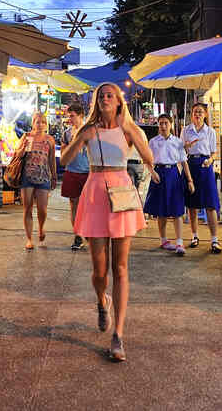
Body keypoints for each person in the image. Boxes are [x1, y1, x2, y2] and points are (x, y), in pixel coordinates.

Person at [60, 81, 156, 363]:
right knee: (99, 270)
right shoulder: (87, 129)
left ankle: (119, 334)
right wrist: (80, 138)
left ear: (118, 102)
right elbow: (65, 159)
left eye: (110, 95)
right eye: (101, 95)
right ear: (96, 101)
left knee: (121, 267)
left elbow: (149, 158)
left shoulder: (128, 128)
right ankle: (102, 301)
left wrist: (136, 138)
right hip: (95, 192)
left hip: (121, 191)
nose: (105, 98)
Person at [144, 113, 193, 255]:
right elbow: (147, 161)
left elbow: (184, 162)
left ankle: (179, 242)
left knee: (177, 210)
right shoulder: (153, 142)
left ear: (171, 124)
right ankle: (163, 240)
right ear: (158, 125)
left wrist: (190, 180)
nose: (163, 126)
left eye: (166, 123)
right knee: (161, 211)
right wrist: (152, 173)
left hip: (173, 175)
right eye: (161, 123)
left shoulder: (177, 142)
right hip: (158, 174)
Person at [183, 103, 222, 253]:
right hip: (191, 165)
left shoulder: (210, 131)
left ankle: (215, 240)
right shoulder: (186, 130)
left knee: (210, 204)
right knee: (192, 205)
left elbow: (214, 152)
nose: (197, 115)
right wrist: (186, 145)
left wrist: (210, 161)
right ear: (191, 115)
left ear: (205, 114)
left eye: (200, 112)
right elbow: (181, 150)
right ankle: (194, 236)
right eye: (195, 112)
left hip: (205, 166)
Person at [18, 112, 57, 250]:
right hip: (27, 176)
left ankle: (41, 228)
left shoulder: (50, 140)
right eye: (37, 122)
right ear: (33, 123)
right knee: (27, 208)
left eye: (43, 122)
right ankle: (29, 239)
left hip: (44, 176)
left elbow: (51, 159)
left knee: (42, 209)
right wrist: (22, 149)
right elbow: (19, 155)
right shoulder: (27, 137)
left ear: (46, 124)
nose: (40, 124)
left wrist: (54, 176)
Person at [59, 102, 89, 250]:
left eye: (72, 116)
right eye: (69, 116)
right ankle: (77, 236)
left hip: (88, 173)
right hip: (72, 172)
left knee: (90, 206)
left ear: (81, 115)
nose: (70, 119)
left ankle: (90, 232)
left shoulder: (89, 131)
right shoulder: (66, 133)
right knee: (74, 205)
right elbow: (63, 156)